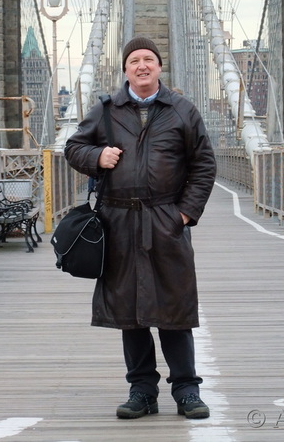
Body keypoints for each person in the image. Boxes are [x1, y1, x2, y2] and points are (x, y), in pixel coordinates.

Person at [64, 36, 217, 419]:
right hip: (119, 224)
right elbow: (72, 148)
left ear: (160, 67)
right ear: (125, 69)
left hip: (166, 222)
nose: (142, 65)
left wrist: (183, 215)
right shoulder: (105, 110)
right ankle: (142, 392)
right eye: (135, 60)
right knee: (129, 313)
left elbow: (203, 165)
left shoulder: (183, 111)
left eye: (149, 59)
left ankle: (186, 390)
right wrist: (97, 155)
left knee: (174, 309)